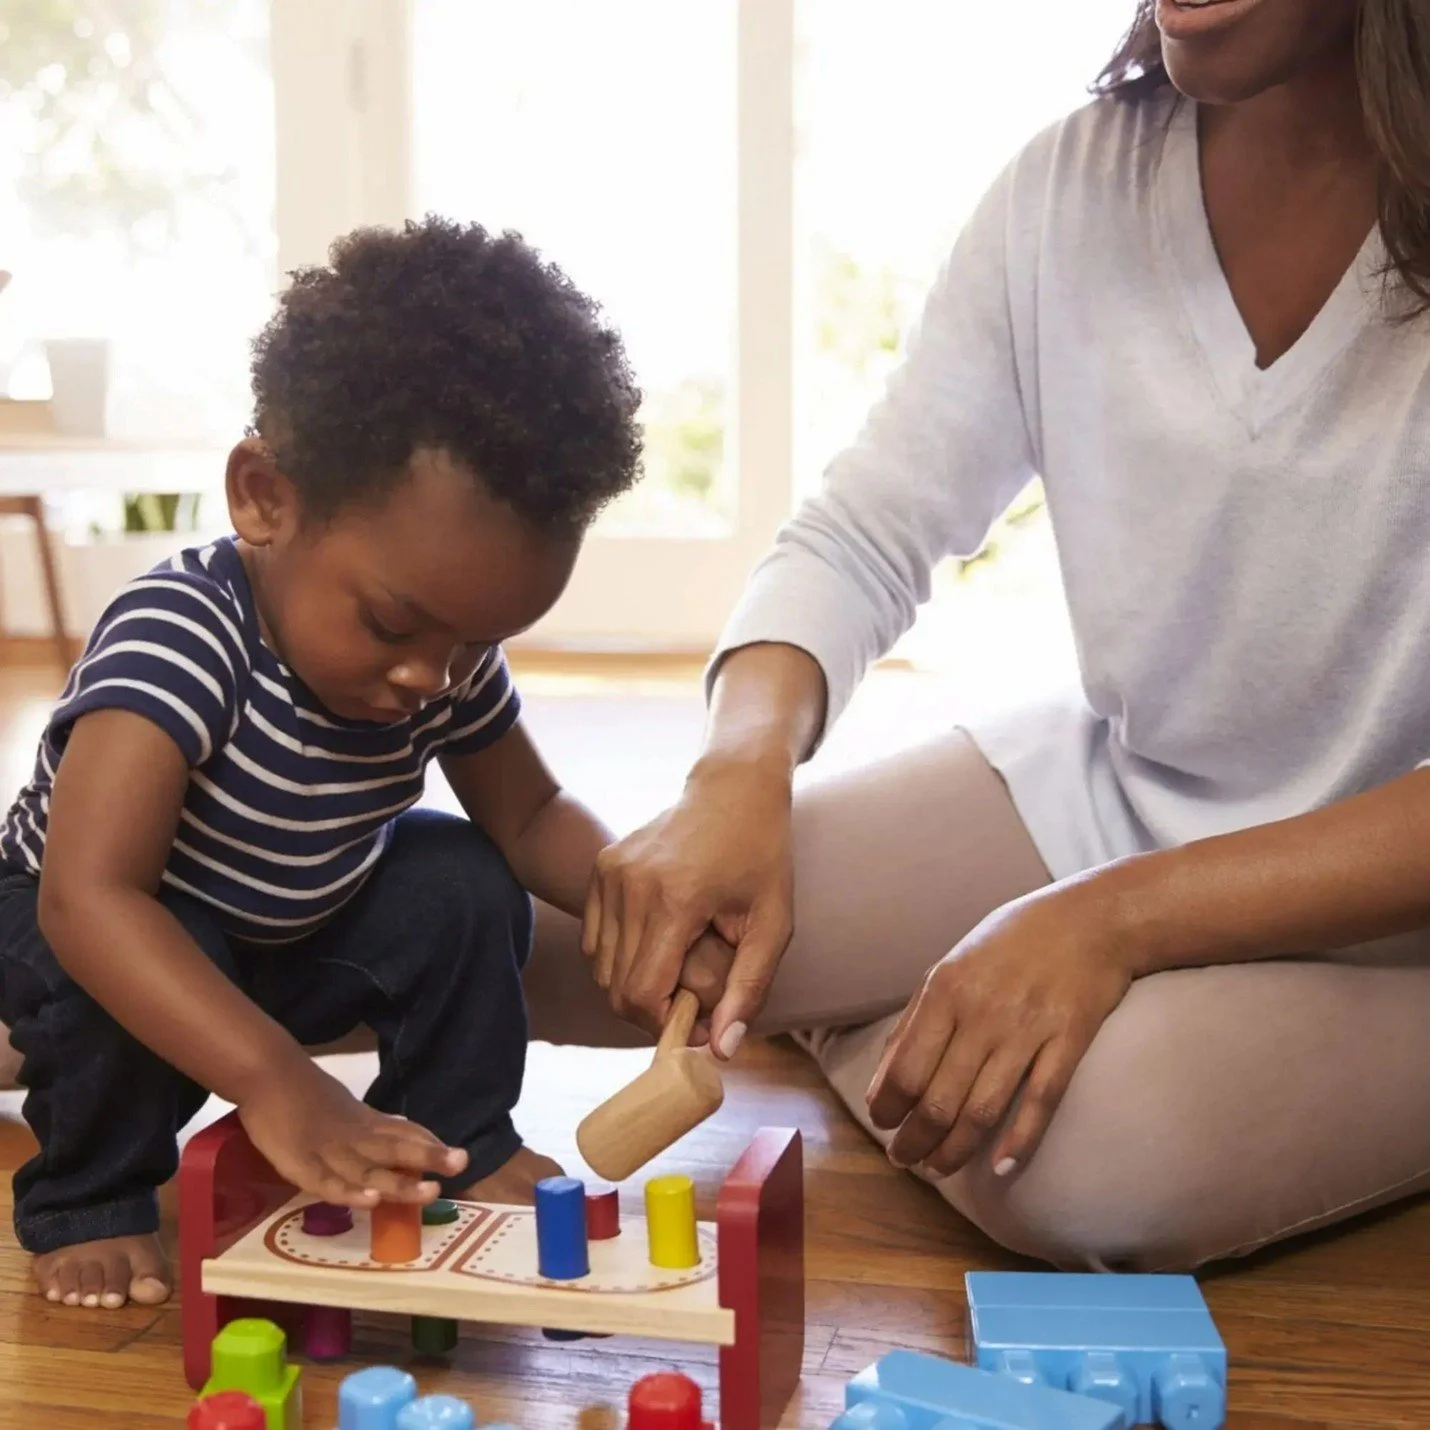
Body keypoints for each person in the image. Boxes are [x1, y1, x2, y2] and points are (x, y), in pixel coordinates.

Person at [562, 0, 1430, 1273]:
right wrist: (735, 768)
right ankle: (933, 1007)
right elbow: (864, 526)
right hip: (1111, 798)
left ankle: (893, 1012)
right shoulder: (1070, 187)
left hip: (1391, 918)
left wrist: (1106, 926)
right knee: (599, 933)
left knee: (1090, 1156)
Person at [0, 217, 645, 1309]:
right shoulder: (181, 635)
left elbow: (529, 814)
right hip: (95, 924)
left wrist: (638, 892)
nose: (431, 676)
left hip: (286, 928)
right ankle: (90, 1198)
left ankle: (457, 1133)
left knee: (456, 877)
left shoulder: (437, 657)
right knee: (106, 966)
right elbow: (87, 896)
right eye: (396, 623)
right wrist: (273, 1081)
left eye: (472, 640)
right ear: (264, 497)